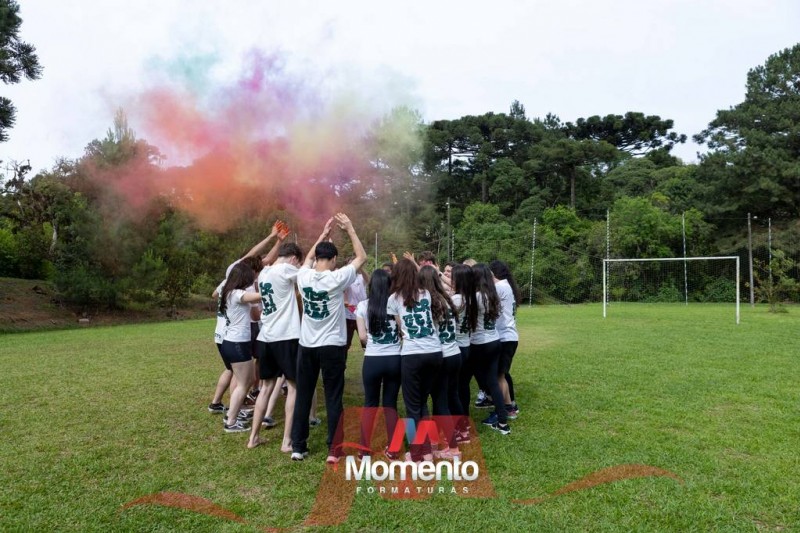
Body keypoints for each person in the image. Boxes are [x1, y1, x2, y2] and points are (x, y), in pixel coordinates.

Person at [290, 213, 367, 462]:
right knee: (334, 396)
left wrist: (322, 235)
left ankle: (298, 446)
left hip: (307, 345)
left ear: (317, 258)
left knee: (304, 394)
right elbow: (361, 258)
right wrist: (350, 228)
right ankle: (334, 450)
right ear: (333, 260)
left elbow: (308, 258)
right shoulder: (337, 277)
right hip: (332, 346)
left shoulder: (303, 276)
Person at [247, 242, 304, 451]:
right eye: (297, 262)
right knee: (294, 388)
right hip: (286, 336)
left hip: (266, 337)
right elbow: (308, 275)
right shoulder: (287, 268)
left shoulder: (264, 273)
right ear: (294, 258)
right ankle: (286, 441)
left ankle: (253, 438)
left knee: (265, 389)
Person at [387, 258, 443, 462]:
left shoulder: (393, 299)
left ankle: (418, 453)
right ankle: (426, 451)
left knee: (412, 405)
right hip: (434, 352)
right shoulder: (426, 293)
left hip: (412, 354)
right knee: (421, 402)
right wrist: (414, 264)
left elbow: (400, 327)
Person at [355, 269, 401, 458]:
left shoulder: (363, 305)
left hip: (372, 359)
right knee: (390, 404)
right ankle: (394, 448)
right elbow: (402, 329)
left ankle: (363, 448)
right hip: (394, 359)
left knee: (370, 404)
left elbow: (362, 336)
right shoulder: (396, 303)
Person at [418, 265, 462, 458]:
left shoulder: (429, 303)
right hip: (454, 353)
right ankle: (437, 440)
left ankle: (452, 448)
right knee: (441, 399)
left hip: (442, 356)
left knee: (439, 401)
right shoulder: (447, 299)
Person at [219, 262, 265, 433]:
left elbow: (254, 308)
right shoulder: (237, 294)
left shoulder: (228, 292)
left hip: (231, 342)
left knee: (246, 380)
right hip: (237, 343)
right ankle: (231, 421)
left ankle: (233, 414)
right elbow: (259, 296)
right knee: (244, 383)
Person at [470, 263, 511, 435]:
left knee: (483, 379)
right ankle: (502, 421)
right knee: (493, 381)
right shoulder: (493, 295)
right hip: (494, 341)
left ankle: (491, 408)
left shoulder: (476, 297)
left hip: (480, 343)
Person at [490, 260, 521, 419]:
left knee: (499, 377)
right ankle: (509, 406)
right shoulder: (506, 286)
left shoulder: (500, 287)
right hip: (509, 336)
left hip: (505, 337)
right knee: (501, 375)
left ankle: (506, 409)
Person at [451, 264, 477, 444]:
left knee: (453, 389)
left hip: (457, 347)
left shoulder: (455, 300)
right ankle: (465, 421)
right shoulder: (471, 298)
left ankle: (459, 426)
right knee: (463, 386)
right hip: (467, 346)